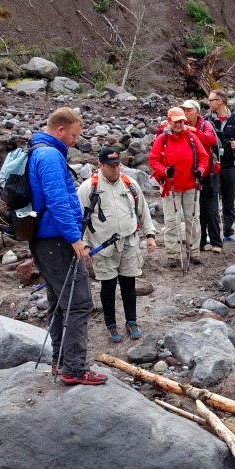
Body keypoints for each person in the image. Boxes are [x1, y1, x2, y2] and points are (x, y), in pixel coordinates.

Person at [28, 107, 107, 386]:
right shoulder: (49, 155)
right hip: (56, 240)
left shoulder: (38, 149)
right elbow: (58, 202)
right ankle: (74, 368)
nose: (76, 140)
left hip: (44, 239)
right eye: (73, 135)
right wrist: (76, 240)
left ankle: (61, 360)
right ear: (60, 130)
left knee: (58, 300)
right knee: (79, 302)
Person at [77, 147, 158, 343]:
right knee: (108, 286)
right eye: (111, 166)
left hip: (129, 242)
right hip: (103, 247)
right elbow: (80, 219)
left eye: (118, 165)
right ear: (100, 166)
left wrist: (149, 235)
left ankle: (132, 321)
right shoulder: (88, 188)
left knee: (129, 283)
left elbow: (143, 211)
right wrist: (85, 244)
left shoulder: (130, 184)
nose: (115, 169)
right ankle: (110, 325)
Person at [149, 107, 209, 269]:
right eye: (175, 121)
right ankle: (173, 254)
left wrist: (200, 171)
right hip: (171, 186)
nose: (179, 124)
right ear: (169, 121)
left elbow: (204, 157)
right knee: (171, 221)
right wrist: (165, 171)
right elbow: (154, 160)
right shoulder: (162, 139)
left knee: (193, 219)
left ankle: (194, 252)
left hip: (191, 184)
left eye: (181, 121)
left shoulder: (192, 137)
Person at [178, 99, 222, 255]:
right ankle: (201, 242)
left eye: (188, 110)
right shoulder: (179, 126)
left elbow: (211, 140)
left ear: (196, 111)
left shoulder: (205, 125)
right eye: (183, 110)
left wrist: (192, 130)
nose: (185, 113)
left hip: (208, 172)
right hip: (191, 172)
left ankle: (217, 242)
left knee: (211, 208)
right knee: (197, 211)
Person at [206, 89, 235, 243]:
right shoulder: (207, 119)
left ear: (220, 101)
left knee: (229, 201)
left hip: (232, 164)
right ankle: (213, 233)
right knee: (212, 201)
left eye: (211, 100)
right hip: (213, 166)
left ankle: (228, 231)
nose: (208, 102)